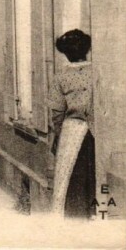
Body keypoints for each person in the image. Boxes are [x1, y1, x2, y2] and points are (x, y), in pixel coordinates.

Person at [49, 29, 95, 218]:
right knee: (93, 175)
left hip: (71, 130)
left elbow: (57, 111)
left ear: (66, 53)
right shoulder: (97, 72)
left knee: (70, 176)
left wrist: (58, 134)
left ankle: (73, 218)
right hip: (95, 130)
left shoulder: (61, 76)